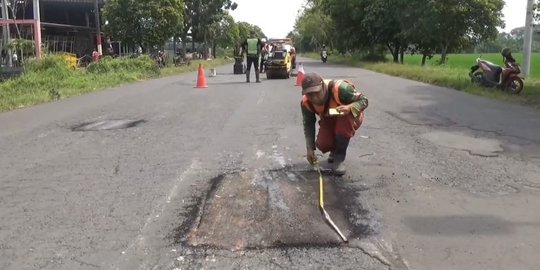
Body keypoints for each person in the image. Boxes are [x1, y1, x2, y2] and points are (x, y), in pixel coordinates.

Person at [301, 72, 368, 176]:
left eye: (316, 93)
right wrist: (309, 148)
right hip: (329, 118)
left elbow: (364, 100)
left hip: (349, 117)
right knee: (322, 144)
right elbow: (308, 124)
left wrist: (349, 108)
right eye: (309, 94)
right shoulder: (306, 103)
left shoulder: (342, 89)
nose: (314, 98)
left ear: (323, 86)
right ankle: (334, 150)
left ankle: (339, 158)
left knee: (343, 121)